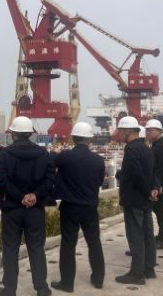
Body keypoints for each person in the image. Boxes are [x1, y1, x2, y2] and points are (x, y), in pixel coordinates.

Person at [0, 116, 56, 296]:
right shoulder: (43, 153)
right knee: (36, 248)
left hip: (12, 209)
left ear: (13, 133)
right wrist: (34, 195)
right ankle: (42, 288)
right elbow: (50, 178)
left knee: (10, 248)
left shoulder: (5, 154)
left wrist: (20, 197)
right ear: (30, 133)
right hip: (35, 209)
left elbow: (2, 180)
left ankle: (9, 289)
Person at [50, 122, 106, 293]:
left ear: (73, 138)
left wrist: (54, 152)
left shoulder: (65, 156)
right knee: (94, 242)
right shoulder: (98, 160)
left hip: (70, 206)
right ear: (89, 140)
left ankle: (67, 283)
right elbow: (99, 182)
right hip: (90, 207)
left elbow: (50, 163)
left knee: (68, 244)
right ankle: (98, 279)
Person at [115, 116, 160, 285]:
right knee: (148, 235)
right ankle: (149, 269)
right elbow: (153, 171)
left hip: (135, 199)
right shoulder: (146, 148)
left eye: (121, 131)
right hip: (146, 200)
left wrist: (148, 191)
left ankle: (136, 274)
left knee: (135, 236)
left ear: (128, 131)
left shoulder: (131, 149)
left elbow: (136, 175)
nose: (119, 134)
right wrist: (153, 188)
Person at [145, 119, 163, 250]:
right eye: (147, 130)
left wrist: (160, 186)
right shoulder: (157, 144)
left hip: (160, 186)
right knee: (159, 212)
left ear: (160, 131)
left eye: (151, 130)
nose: (148, 133)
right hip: (158, 185)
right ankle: (161, 237)